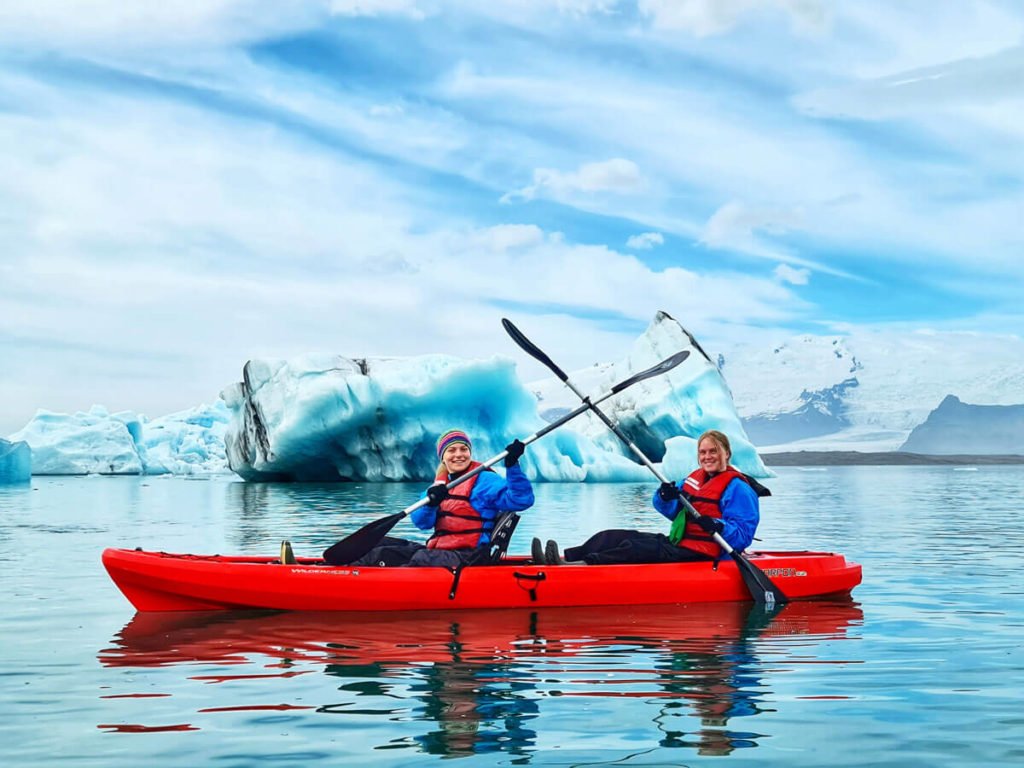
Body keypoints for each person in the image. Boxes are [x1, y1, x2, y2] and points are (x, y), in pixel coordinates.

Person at [540, 429, 768, 566]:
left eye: (714, 451)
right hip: (680, 543)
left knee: (635, 548)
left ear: (726, 453)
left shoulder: (739, 489)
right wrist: (664, 496)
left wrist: (717, 526)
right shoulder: (694, 478)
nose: (708, 457)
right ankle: (565, 559)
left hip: (705, 553)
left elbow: (743, 536)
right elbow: (669, 510)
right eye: (703, 452)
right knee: (610, 537)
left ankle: (576, 568)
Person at [352, 429, 535, 568]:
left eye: (464, 449)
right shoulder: (440, 484)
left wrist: (512, 466)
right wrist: (431, 504)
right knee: (382, 545)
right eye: (451, 450)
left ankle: (377, 582)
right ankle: (345, 569)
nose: (458, 455)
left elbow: (521, 500)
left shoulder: (485, 480)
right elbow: (421, 523)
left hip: (469, 555)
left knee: (420, 558)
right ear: (443, 457)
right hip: (442, 550)